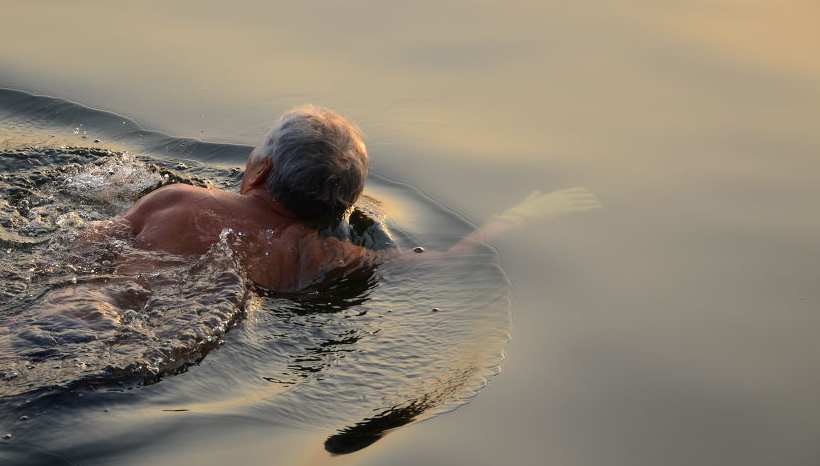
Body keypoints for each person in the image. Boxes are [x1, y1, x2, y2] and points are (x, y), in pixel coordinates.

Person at [87, 105, 601, 293]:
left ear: (260, 169)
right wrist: (519, 215)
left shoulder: (175, 201)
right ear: (345, 205)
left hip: (73, 309)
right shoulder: (321, 255)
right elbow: (449, 263)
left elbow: (82, 249)